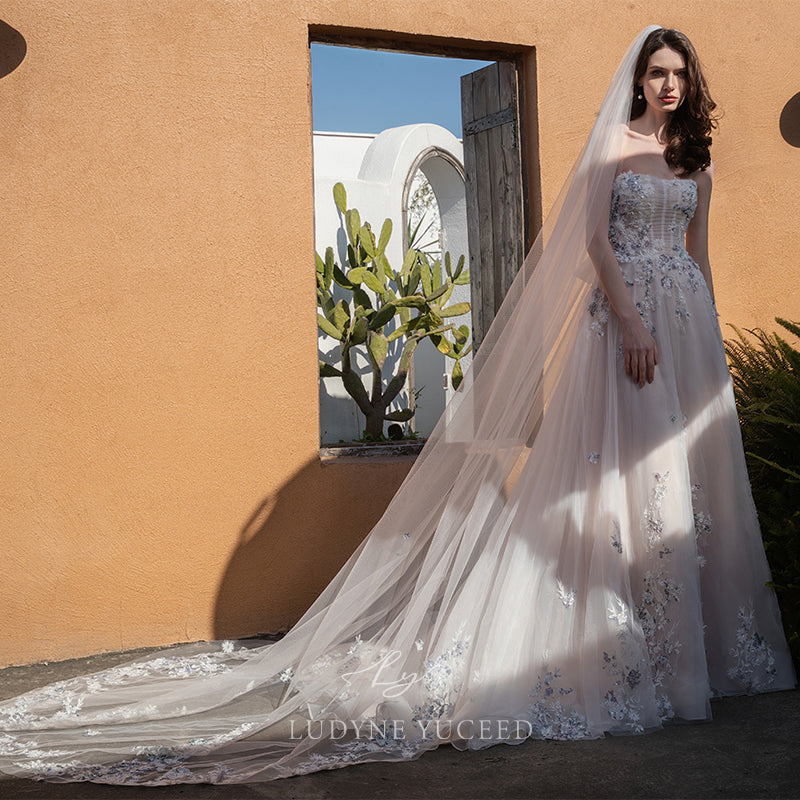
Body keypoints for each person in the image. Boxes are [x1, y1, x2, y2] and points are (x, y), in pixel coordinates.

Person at [0, 25, 795, 785]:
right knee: (617, 488)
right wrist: (628, 321)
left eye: (678, 75)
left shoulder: (695, 162)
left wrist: (711, 352)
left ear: (690, 87)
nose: (666, 84)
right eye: (656, 72)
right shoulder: (613, 149)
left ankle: (690, 658)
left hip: (688, 333)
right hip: (627, 329)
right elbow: (589, 243)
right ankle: (621, 657)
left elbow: (700, 257)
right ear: (638, 80)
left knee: (681, 489)